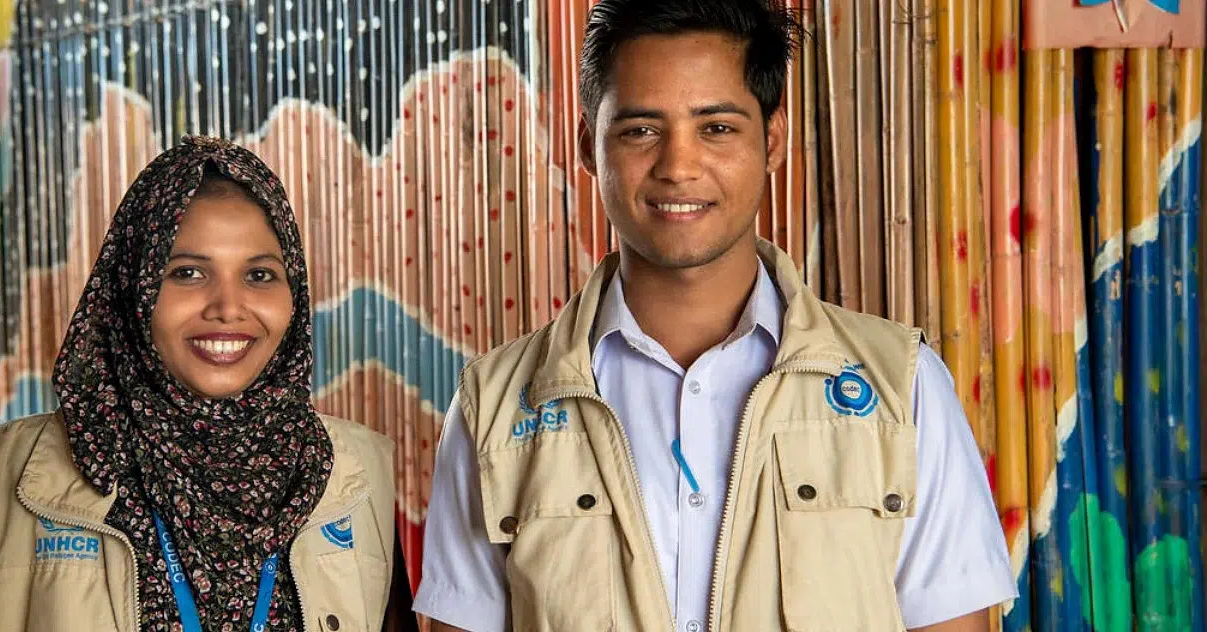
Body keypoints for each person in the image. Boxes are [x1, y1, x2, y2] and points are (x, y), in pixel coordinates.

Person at [411, 1, 1016, 631]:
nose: (678, 166)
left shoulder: (901, 387)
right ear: (588, 145)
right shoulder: (497, 406)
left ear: (771, 140)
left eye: (717, 128)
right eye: (641, 130)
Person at [0, 136, 417, 631]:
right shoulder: (10, 478)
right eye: (187, 272)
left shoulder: (355, 476)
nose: (228, 307)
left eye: (260, 275)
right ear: (133, 287)